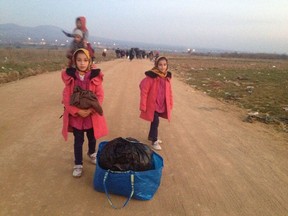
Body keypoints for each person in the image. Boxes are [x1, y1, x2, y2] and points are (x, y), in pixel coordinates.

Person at [61, 48, 108, 178]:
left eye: (85, 60)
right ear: (74, 61)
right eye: (79, 60)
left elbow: (100, 95)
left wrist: (90, 110)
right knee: (78, 141)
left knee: (92, 138)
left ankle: (92, 153)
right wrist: (77, 111)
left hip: (91, 116)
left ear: (90, 61)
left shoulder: (95, 77)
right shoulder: (71, 78)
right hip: (77, 118)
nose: (82, 63)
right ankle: (78, 164)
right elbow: (66, 97)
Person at [139, 56, 173, 151]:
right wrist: (143, 104)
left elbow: (169, 92)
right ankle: (154, 140)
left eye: (164, 65)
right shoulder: (152, 77)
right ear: (156, 65)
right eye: (160, 65)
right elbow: (144, 90)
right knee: (155, 121)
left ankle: (152, 136)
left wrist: (170, 103)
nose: (162, 67)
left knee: (155, 121)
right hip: (152, 104)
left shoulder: (167, 77)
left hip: (161, 104)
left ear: (167, 66)